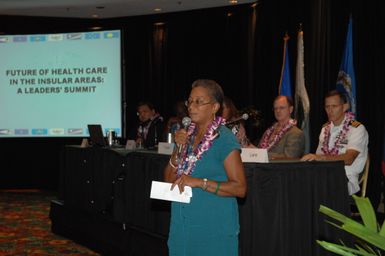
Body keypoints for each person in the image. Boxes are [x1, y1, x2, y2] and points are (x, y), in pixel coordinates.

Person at [164, 79, 247, 256]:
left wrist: (199, 182)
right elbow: (169, 180)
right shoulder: (186, 136)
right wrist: (178, 148)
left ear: (215, 107)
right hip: (183, 227)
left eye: (199, 101)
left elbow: (240, 188)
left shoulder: (224, 139)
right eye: (190, 101)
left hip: (212, 230)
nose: (191, 107)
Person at [301, 90, 369, 195]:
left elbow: (348, 159)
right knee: (298, 179)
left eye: (334, 106)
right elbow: (318, 157)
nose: (330, 110)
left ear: (345, 107)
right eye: (327, 107)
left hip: (345, 178)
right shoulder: (325, 129)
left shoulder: (357, 128)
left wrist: (320, 158)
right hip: (324, 174)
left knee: (311, 186)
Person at [258, 95, 305, 160]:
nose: (278, 111)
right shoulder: (269, 131)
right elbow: (258, 151)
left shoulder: (296, 133)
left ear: (291, 109)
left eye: (282, 108)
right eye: (275, 108)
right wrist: (244, 140)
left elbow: (289, 157)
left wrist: (263, 154)